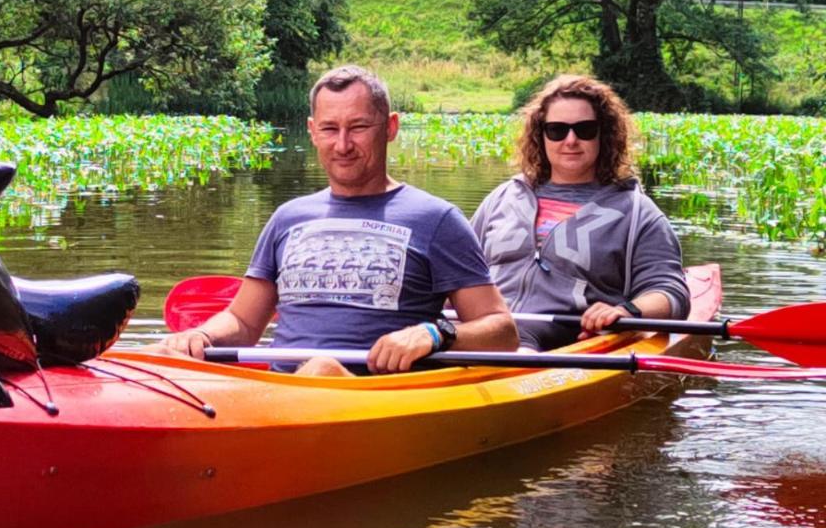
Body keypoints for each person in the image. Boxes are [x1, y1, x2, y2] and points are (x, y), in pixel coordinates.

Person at [159, 65, 517, 375]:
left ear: (390, 128)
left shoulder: (437, 219)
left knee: (322, 367)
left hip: (373, 394)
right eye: (330, 129)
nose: (343, 145)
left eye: (358, 127)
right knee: (164, 354)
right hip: (281, 388)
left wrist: (435, 333)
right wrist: (200, 336)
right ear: (313, 131)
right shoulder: (288, 218)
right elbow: (243, 321)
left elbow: (502, 332)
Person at [471, 74, 690, 352]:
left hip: (562, 341)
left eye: (584, 129)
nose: (571, 140)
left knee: (522, 345)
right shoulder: (501, 198)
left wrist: (628, 312)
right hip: (481, 331)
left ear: (604, 134)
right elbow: (455, 273)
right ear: (541, 136)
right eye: (557, 130)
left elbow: (671, 293)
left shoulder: (637, 213)